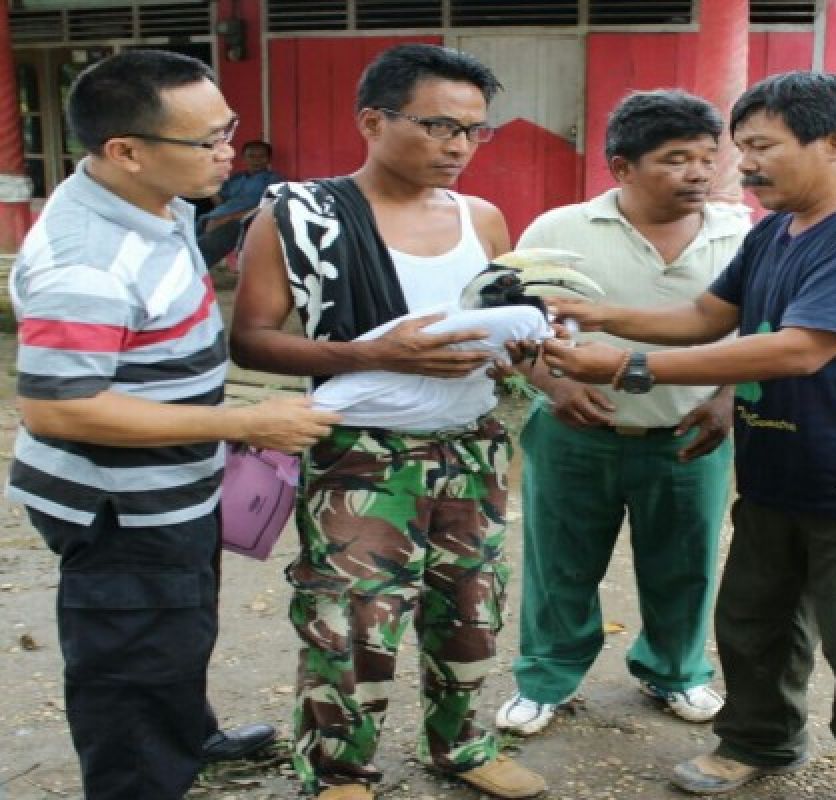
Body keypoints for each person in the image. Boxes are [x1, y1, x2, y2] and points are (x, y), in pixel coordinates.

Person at [540, 72, 836, 798]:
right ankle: (760, 742)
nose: (742, 165)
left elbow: (799, 348)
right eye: (742, 148)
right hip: (775, 469)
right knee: (755, 621)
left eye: (760, 147)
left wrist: (629, 366)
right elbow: (705, 315)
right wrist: (599, 317)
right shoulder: (778, 229)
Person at [5, 50, 340, 800]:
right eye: (207, 142)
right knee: (132, 657)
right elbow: (59, 406)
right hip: (120, 504)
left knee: (178, 625)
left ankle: (186, 734)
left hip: (172, 480)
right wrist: (236, 422)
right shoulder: (87, 262)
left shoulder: (150, 200)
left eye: (228, 130)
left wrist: (215, 432)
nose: (228, 152)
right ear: (125, 150)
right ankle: (140, 779)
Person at [230, 44, 545, 800]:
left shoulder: (483, 217)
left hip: (470, 444)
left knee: (470, 608)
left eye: (474, 131)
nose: (459, 146)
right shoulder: (302, 216)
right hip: (360, 452)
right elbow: (249, 337)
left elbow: (502, 317)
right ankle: (339, 771)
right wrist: (379, 353)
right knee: (350, 620)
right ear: (373, 121)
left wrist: (517, 360)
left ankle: (464, 748)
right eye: (439, 126)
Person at [492, 90, 747, 738]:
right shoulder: (559, 231)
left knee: (687, 564)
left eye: (706, 157)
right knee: (559, 565)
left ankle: (676, 671)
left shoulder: (741, 232)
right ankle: (545, 679)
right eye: (675, 159)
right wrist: (554, 387)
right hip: (576, 433)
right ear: (621, 166)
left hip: (687, 435)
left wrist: (725, 398)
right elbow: (516, 329)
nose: (698, 173)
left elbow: (758, 332)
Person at [196, 139, 282, 266]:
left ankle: (194, 269)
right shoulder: (236, 178)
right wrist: (210, 187)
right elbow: (221, 202)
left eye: (261, 156)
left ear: (269, 159)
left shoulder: (273, 180)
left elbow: (268, 207)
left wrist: (230, 217)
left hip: (245, 221)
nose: (256, 160)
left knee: (202, 249)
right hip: (213, 218)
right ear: (244, 159)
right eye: (251, 156)